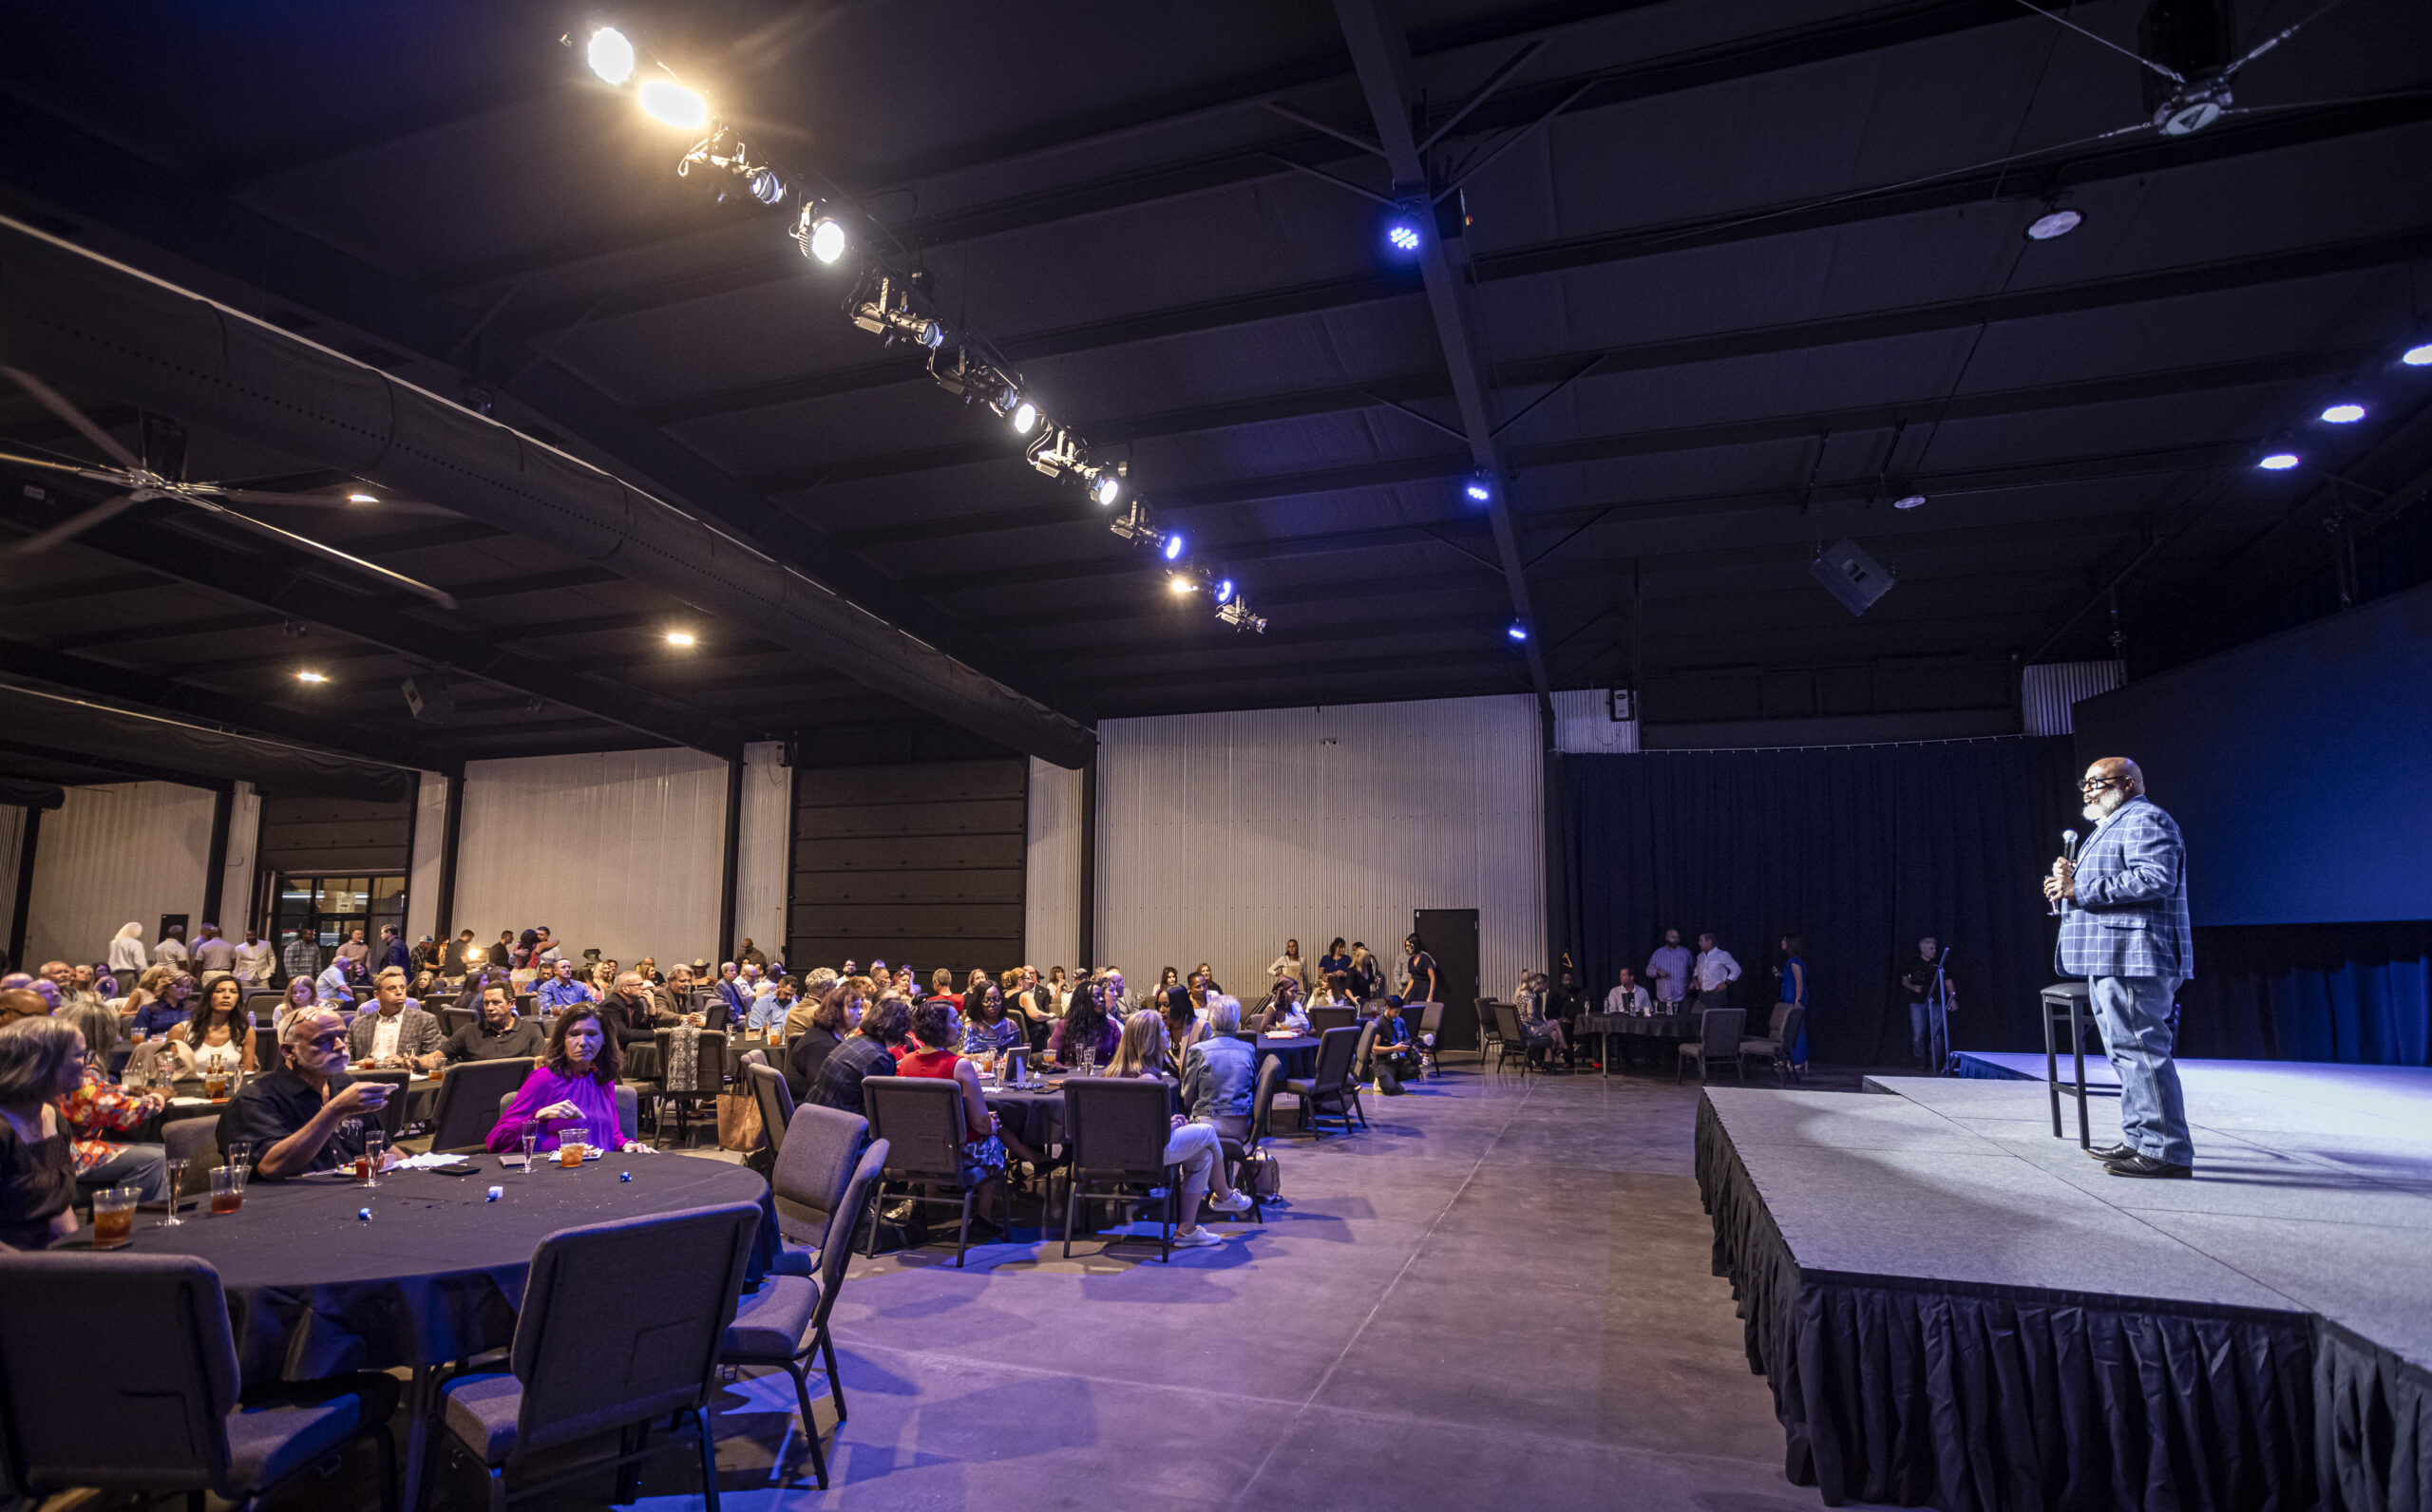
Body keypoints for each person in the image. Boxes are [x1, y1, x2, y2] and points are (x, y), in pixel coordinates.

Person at [2047, 756, 2195, 1179]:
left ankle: (2166, 1151)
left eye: (2097, 782)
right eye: (2085, 783)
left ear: (2127, 784)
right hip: (2109, 954)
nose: (2088, 790)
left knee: (2141, 1051)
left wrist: (2080, 889)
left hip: (2134, 954)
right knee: (2124, 1052)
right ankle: (2139, 1138)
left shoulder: (2146, 819)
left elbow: (2155, 879)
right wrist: (2067, 886)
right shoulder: (2108, 826)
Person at [1096, 1010, 1253, 1249]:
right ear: (1149, 1039)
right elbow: (1148, 1135)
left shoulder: (1113, 1073)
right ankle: (1224, 1195)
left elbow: (1134, 1125)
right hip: (1146, 1155)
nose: (1167, 1032)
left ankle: (1186, 1230)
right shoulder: (1147, 1081)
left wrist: (1167, 1123)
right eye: (1162, 1029)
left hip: (1119, 1152)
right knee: (1207, 1132)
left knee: (1203, 1155)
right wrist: (1170, 1125)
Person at [894, 999, 1031, 1236]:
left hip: (914, 1153)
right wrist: (992, 1123)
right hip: (954, 1156)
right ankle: (983, 1218)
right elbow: (981, 1125)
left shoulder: (905, 1062)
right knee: (993, 1144)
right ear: (938, 1027)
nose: (960, 1026)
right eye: (954, 1021)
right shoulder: (959, 1066)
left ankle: (924, 1208)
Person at [217, 1009, 395, 1181]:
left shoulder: (345, 1084)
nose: (340, 1046)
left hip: (352, 1190)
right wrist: (335, 1110)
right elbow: (270, 1167)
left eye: (342, 1036)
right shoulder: (254, 1099)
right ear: (288, 1051)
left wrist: (412, 1164)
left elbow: (383, 1149)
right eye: (323, 1040)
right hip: (288, 1197)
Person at [44, 1000, 169, 1202]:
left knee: (158, 1151)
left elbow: (83, 1097)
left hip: (58, 1144)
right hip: (65, 1152)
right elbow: (119, 1113)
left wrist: (124, 1089)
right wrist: (158, 1098)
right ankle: (125, 1216)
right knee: (154, 1158)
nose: (117, 1037)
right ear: (102, 1034)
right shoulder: (78, 1065)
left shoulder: (56, 1058)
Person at [487, 1007, 650, 1156]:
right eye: (574, 1034)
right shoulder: (544, 1078)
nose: (583, 1042)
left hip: (603, 1169)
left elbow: (611, 1133)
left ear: (604, 1040)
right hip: (557, 1171)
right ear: (562, 1040)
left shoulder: (603, 1077)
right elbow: (496, 1140)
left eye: (592, 1034)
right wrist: (537, 1116)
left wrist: (626, 1144)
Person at [0, 1018, 87, 1248]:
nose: (85, 1064)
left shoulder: (54, 1118)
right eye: (78, 1055)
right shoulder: (3, 1129)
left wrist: (78, 1251)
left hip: (45, 1257)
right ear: (40, 1063)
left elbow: (57, 1204)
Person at [808, 995, 911, 1119]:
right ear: (901, 1029)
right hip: (837, 1124)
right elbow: (878, 1110)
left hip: (810, 1116)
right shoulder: (881, 1058)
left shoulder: (852, 1041)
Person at [1181, 996, 1256, 1139]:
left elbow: (1187, 1097)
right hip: (1243, 1127)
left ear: (1210, 1019)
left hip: (1206, 1126)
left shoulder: (1199, 1051)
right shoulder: (1249, 1050)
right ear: (1236, 1020)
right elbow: (1253, 1090)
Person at [349, 968, 445, 1071]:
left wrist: (408, 1062)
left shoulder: (425, 1020)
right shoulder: (358, 1024)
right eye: (392, 988)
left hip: (405, 1076)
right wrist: (358, 1063)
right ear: (377, 995)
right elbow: (344, 1060)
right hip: (367, 1075)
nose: (399, 992)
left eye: (402, 987)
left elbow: (434, 1057)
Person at [442, 981, 545, 1063]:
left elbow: (539, 1066)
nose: (489, 1008)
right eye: (486, 1003)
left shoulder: (531, 1031)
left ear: (511, 1003)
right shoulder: (469, 1031)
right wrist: (433, 1060)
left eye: (496, 1002)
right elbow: (439, 1055)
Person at [179, 974, 257, 1079]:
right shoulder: (181, 1030)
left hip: (230, 1088)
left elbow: (246, 1074)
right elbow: (171, 1074)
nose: (227, 995)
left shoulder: (246, 1031)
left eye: (233, 992)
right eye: (220, 991)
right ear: (208, 996)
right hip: (190, 1088)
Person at [1897, 936, 1956, 1072]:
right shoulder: (1913, 963)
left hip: (1936, 1001)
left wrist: (1952, 998)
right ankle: (1920, 1062)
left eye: (1935, 948)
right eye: (1931, 948)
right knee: (1918, 1034)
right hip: (1917, 1002)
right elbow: (1904, 980)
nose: (1934, 951)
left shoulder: (1940, 964)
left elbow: (1948, 981)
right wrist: (1913, 987)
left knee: (1937, 1034)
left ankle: (1935, 1063)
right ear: (1923, 949)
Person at [784, 988, 852, 1103]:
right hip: (807, 1108)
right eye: (854, 1007)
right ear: (837, 1012)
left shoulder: (826, 1034)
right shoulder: (821, 1045)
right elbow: (822, 1093)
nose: (861, 1011)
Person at [1045, 980, 1120, 1068]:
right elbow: (1052, 1060)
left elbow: (1122, 1059)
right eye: (1096, 996)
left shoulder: (1111, 1026)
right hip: (1071, 1074)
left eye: (1102, 996)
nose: (1102, 999)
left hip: (1103, 1074)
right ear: (1083, 1001)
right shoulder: (1064, 1025)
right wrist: (1066, 1072)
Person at [1773, 934, 1811, 1072]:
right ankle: (1789, 1059)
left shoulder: (1795, 962)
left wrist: (1798, 1001)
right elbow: (1791, 979)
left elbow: (1799, 983)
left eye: (1784, 940)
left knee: (1797, 1030)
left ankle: (1799, 1060)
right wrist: (1780, 975)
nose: (1782, 942)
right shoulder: (1791, 962)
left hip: (1794, 999)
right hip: (1788, 997)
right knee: (1788, 1030)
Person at [1514, 972, 1568, 1068]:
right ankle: (1566, 1049)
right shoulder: (1531, 996)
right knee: (1555, 1023)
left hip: (1522, 1029)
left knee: (1554, 1033)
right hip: (1529, 1030)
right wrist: (1542, 1024)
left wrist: (1543, 1023)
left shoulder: (1519, 994)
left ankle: (1547, 1062)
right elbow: (1530, 1018)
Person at [131, 971, 197, 1039]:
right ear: (166, 986)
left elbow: (200, 1034)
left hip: (187, 1044)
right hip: (157, 1045)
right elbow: (138, 1039)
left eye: (187, 987)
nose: (184, 991)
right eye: (178, 986)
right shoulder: (148, 1009)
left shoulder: (194, 1007)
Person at [1646, 928, 1692, 1010]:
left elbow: (1694, 970)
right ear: (1666, 938)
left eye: (1677, 937)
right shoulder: (1658, 953)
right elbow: (1648, 971)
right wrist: (1657, 972)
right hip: (1663, 997)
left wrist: (1691, 987)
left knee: (1683, 1017)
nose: (1675, 939)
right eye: (1672, 937)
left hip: (1682, 997)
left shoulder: (1686, 953)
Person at [1692, 933, 1741, 1005]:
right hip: (1702, 993)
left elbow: (1737, 969)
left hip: (1716, 994)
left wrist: (1726, 983)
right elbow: (1697, 969)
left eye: (1701, 940)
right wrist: (1696, 980)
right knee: (1700, 1012)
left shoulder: (1722, 955)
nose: (1699, 943)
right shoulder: (1700, 956)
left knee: (1714, 1012)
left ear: (1709, 942)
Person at [1400, 936, 1437, 1006]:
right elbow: (1412, 980)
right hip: (1414, 992)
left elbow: (1433, 978)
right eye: (1406, 946)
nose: (1407, 948)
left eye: (1409, 946)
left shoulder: (1425, 959)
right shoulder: (1411, 960)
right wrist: (1404, 996)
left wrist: (1430, 996)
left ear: (1415, 945)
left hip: (1425, 991)